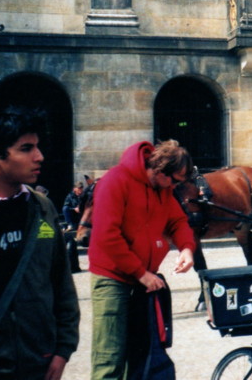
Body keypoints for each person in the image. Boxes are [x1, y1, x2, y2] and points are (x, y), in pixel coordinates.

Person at [0, 106, 80, 380]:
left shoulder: (42, 209)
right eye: (26, 148)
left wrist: (63, 349)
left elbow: (60, 281)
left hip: (36, 362)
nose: (39, 157)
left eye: (38, 147)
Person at [89, 139, 197, 379]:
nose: (175, 187)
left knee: (140, 356)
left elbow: (177, 221)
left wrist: (187, 248)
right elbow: (107, 235)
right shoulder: (115, 181)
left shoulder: (163, 188)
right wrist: (141, 273)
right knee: (109, 358)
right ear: (159, 170)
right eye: (175, 180)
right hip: (112, 279)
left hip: (143, 280)